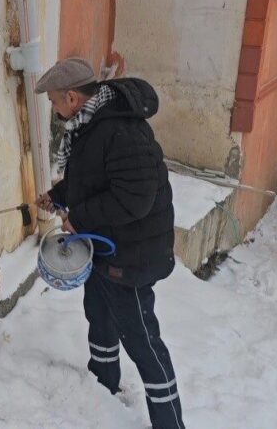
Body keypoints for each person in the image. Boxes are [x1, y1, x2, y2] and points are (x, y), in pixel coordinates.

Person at [35, 58, 184, 428]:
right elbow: (92, 179)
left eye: (53, 102)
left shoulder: (121, 131)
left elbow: (134, 199)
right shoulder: (90, 126)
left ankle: (169, 422)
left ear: (71, 97)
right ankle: (102, 390)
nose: (53, 110)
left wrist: (79, 219)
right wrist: (59, 195)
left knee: (143, 342)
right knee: (99, 316)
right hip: (107, 248)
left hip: (132, 255)